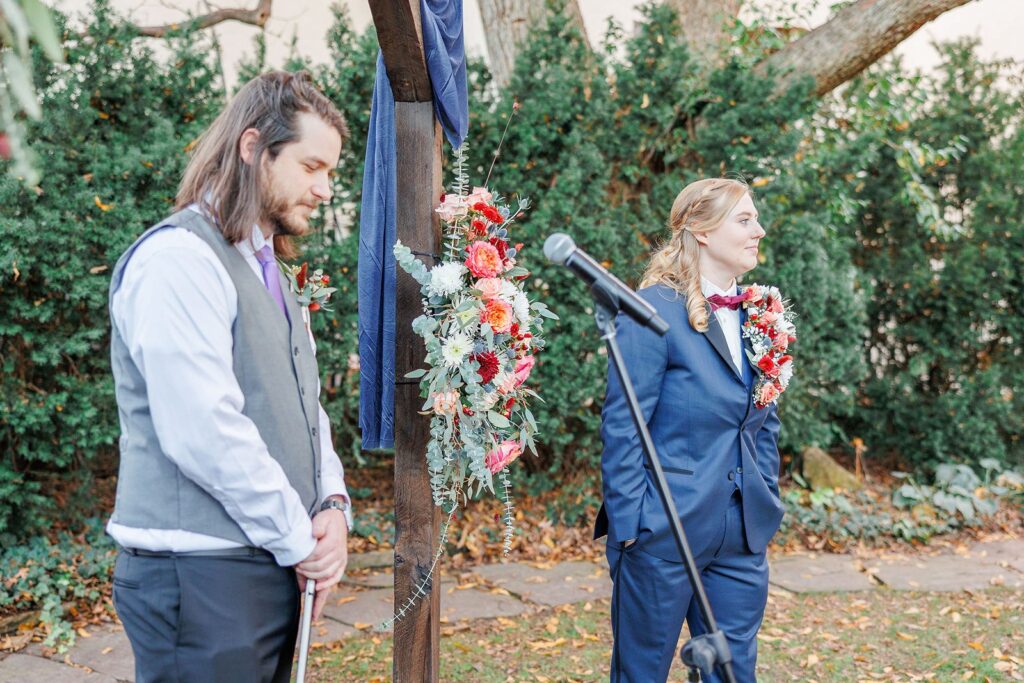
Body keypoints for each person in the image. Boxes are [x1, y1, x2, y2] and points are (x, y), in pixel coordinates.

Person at [107, 71, 353, 683]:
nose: (325, 189)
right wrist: (299, 540)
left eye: (331, 173)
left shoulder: (270, 271)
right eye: (311, 166)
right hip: (198, 579)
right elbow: (205, 430)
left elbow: (304, 409)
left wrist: (332, 510)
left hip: (262, 565)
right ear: (252, 147)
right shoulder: (178, 261)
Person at [595, 178, 787, 682]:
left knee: (733, 671)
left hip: (741, 535)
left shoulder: (760, 316)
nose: (758, 230)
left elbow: (764, 421)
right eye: (744, 220)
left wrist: (764, 490)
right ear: (701, 231)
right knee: (642, 672)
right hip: (662, 530)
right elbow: (622, 425)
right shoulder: (652, 310)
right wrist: (631, 527)